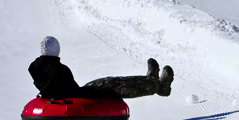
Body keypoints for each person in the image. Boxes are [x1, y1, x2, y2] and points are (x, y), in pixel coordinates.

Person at [28, 36, 173, 99]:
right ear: (56, 50)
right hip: (79, 97)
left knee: (110, 81)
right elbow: (69, 90)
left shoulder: (38, 70)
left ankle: (151, 81)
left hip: (75, 95)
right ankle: (158, 86)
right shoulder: (57, 69)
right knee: (116, 85)